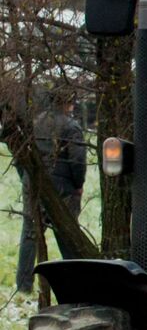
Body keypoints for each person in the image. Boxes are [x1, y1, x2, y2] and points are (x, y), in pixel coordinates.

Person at [15, 95, 86, 293]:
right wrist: (78, 184)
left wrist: (26, 178)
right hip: (62, 187)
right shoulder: (71, 126)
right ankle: (76, 283)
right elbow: (77, 159)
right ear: (68, 103)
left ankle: (23, 285)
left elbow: (20, 155)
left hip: (34, 183)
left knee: (30, 233)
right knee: (67, 235)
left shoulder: (35, 123)